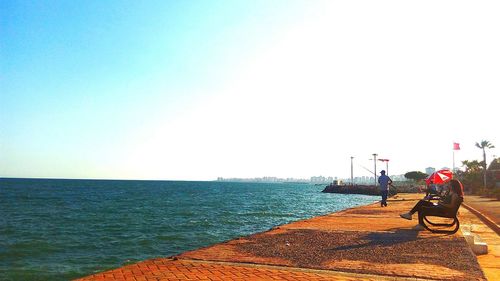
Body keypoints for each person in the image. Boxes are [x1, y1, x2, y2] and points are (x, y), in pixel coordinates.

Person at [400, 179, 464, 229]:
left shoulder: (454, 195)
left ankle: (420, 224)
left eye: (449, 184)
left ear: (453, 186)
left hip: (444, 210)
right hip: (441, 207)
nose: (448, 185)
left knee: (422, 208)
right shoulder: (450, 192)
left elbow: (451, 206)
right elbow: (445, 200)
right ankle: (410, 214)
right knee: (422, 202)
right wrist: (441, 200)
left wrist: (441, 204)